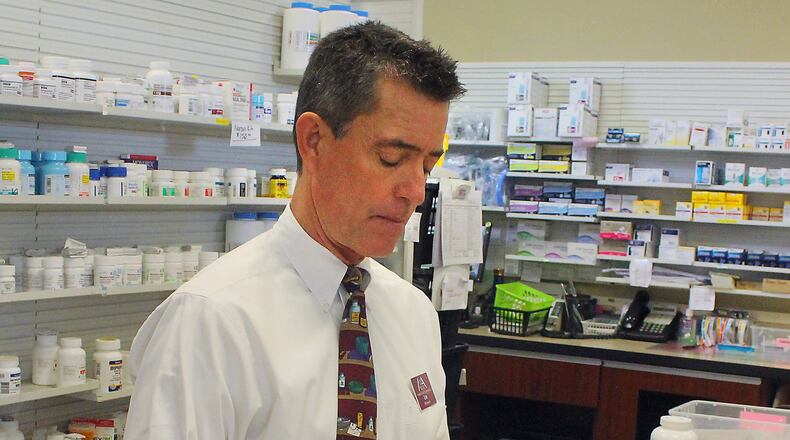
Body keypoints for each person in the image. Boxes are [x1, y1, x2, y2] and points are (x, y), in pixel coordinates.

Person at [125, 21, 465, 439]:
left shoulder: (413, 315)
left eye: (428, 165)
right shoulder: (211, 322)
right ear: (314, 140)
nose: (415, 191)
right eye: (392, 158)